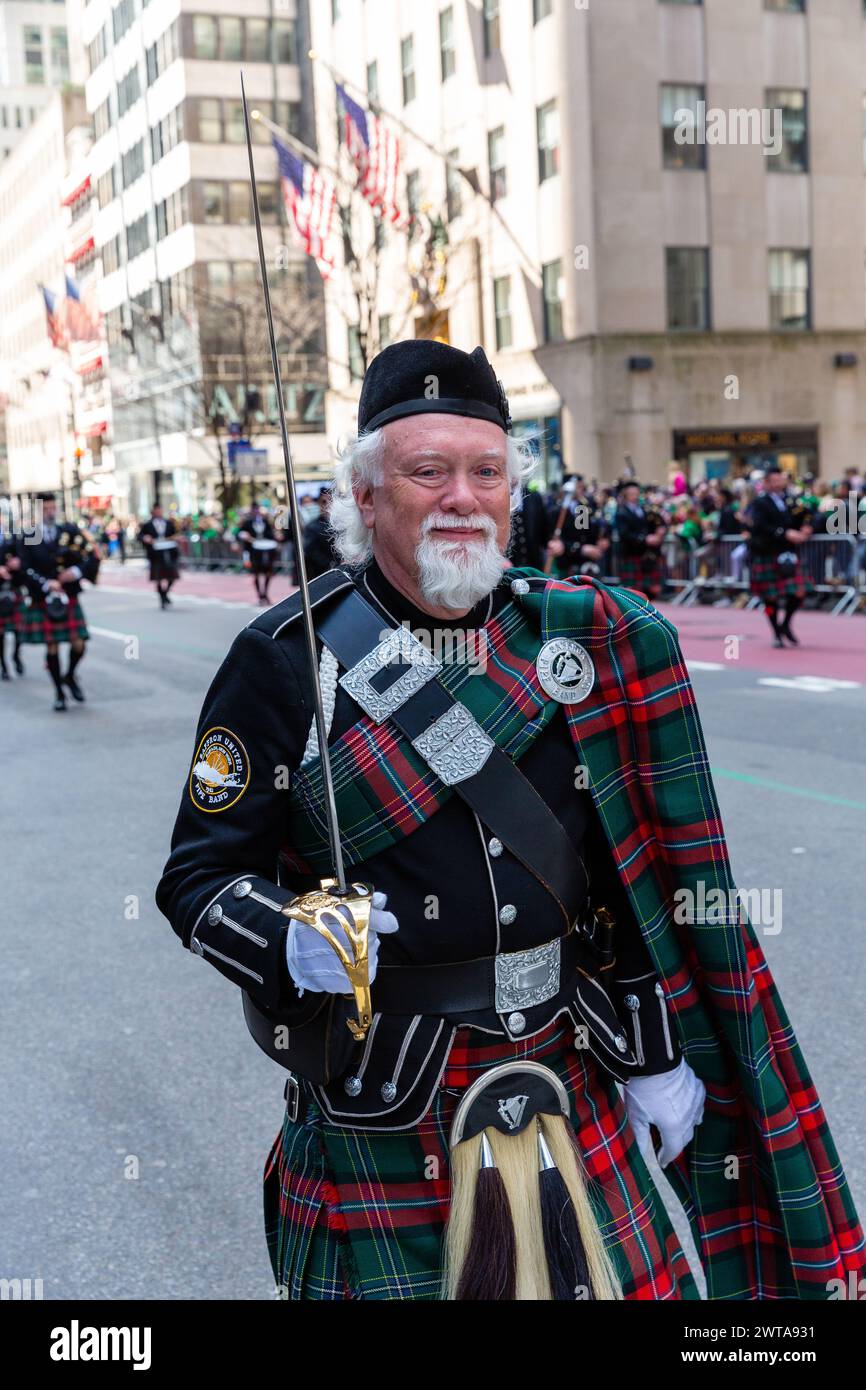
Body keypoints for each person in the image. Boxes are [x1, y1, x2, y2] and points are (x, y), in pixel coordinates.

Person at [156, 340, 864, 1302]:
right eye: (428, 471)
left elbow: (637, 881)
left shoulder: (587, 637)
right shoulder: (284, 659)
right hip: (386, 1099)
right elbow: (196, 879)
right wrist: (288, 941)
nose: (462, 496)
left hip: (572, 1063)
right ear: (366, 497)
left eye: (485, 471)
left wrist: (657, 1057)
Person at [15, 491, 100, 710]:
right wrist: (46, 583)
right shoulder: (29, 535)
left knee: (79, 644)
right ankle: (59, 693)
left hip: (69, 595)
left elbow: (91, 555)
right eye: (45, 509)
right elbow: (24, 568)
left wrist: (76, 571)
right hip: (44, 597)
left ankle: (70, 676)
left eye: (53, 508)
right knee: (51, 646)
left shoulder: (69, 531)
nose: (50, 512)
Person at [748, 466, 811, 647]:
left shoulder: (791, 500)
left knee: (799, 592)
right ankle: (776, 631)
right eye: (774, 481)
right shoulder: (760, 503)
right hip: (767, 552)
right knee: (770, 598)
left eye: (780, 480)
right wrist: (784, 533)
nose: (778, 484)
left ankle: (785, 624)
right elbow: (760, 526)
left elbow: (807, 514)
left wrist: (807, 527)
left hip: (788, 552)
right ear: (766, 483)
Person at [614, 480, 666, 599]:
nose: (634, 496)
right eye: (631, 493)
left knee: (651, 589)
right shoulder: (621, 512)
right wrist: (644, 539)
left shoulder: (645, 509)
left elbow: (655, 523)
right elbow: (624, 534)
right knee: (632, 590)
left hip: (646, 554)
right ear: (625, 494)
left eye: (636, 493)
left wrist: (660, 529)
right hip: (631, 552)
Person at [236, 501, 280, 605]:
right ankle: (260, 595)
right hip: (253, 551)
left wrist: (277, 538)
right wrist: (243, 536)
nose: (256, 511)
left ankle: (265, 594)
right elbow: (238, 534)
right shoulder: (247, 522)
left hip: (267, 550)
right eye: (254, 509)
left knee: (268, 573)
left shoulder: (266, 521)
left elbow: (271, 535)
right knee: (255, 574)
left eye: (257, 509)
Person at [138, 503, 180, 609]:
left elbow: (175, 534)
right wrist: (145, 538)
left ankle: (165, 593)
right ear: (153, 511)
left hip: (169, 551)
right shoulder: (147, 525)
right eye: (157, 510)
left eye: (160, 510)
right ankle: (162, 596)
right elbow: (140, 536)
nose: (159, 512)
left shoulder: (168, 523)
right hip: (155, 554)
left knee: (172, 575)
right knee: (158, 577)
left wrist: (175, 538)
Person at [0, 519, 25, 681]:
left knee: (19, 630)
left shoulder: (14, 535)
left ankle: (16, 655)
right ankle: (4, 665)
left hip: (14, 589)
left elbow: (26, 555)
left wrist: (19, 562)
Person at [302, 486, 338, 579]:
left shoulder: (339, 525)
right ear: (318, 504)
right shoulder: (312, 526)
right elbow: (309, 549)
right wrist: (328, 563)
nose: (327, 504)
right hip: (319, 573)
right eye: (323, 502)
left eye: (330, 501)